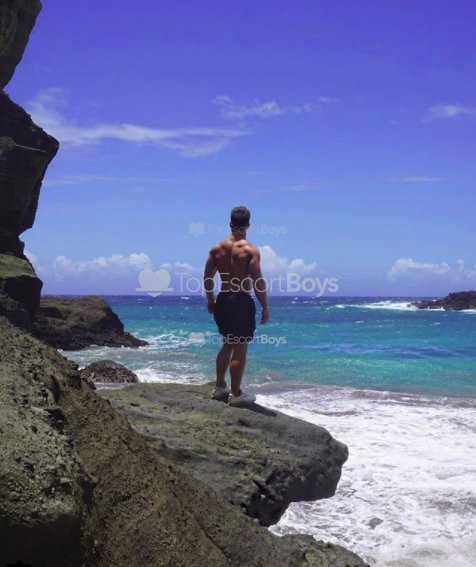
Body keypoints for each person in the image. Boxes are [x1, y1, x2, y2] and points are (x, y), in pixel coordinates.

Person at [203, 206, 269, 406]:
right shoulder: (250, 250)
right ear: (248, 225)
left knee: (228, 343)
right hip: (240, 301)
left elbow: (207, 278)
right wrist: (265, 306)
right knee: (240, 347)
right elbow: (257, 280)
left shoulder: (216, 249)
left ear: (230, 224)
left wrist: (211, 300)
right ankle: (236, 393)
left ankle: (220, 387)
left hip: (223, 299)